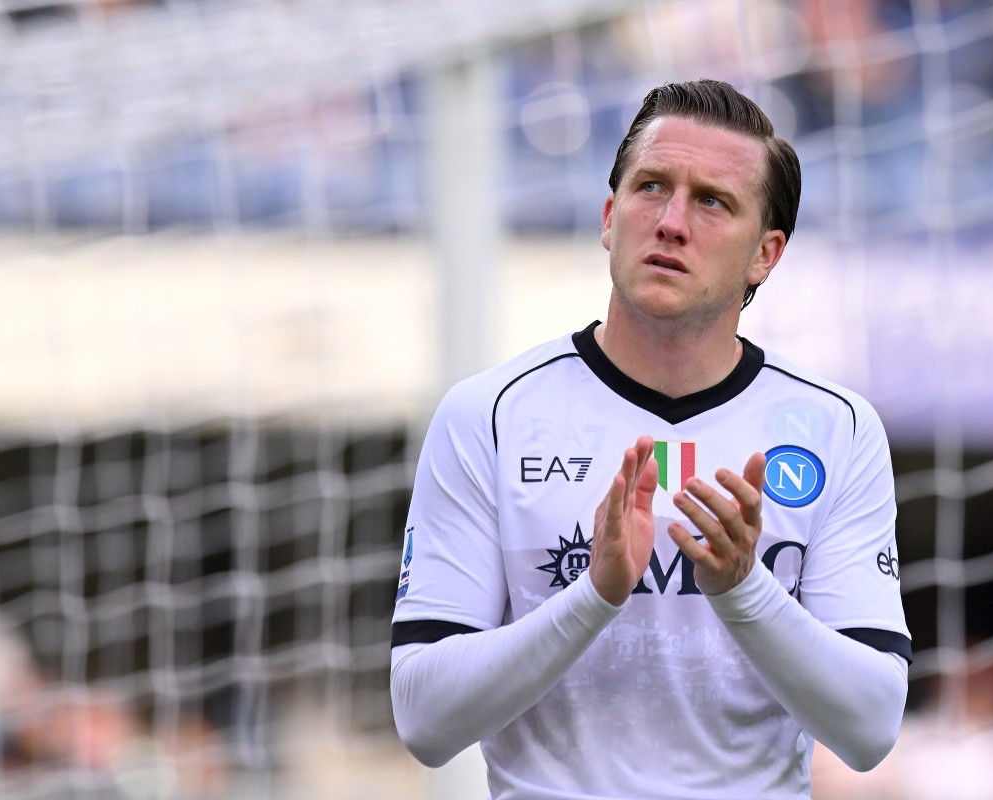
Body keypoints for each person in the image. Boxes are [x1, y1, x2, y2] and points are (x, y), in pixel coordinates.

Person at [390, 78, 911, 800]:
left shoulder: (835, 428)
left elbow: (870, 729)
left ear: (765, 254)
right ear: (610, 218)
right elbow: (424, 720)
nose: (671, 222)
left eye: (712, 201)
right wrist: (594, 595)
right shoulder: (490, 414)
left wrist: (743, 590)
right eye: (651, 187)